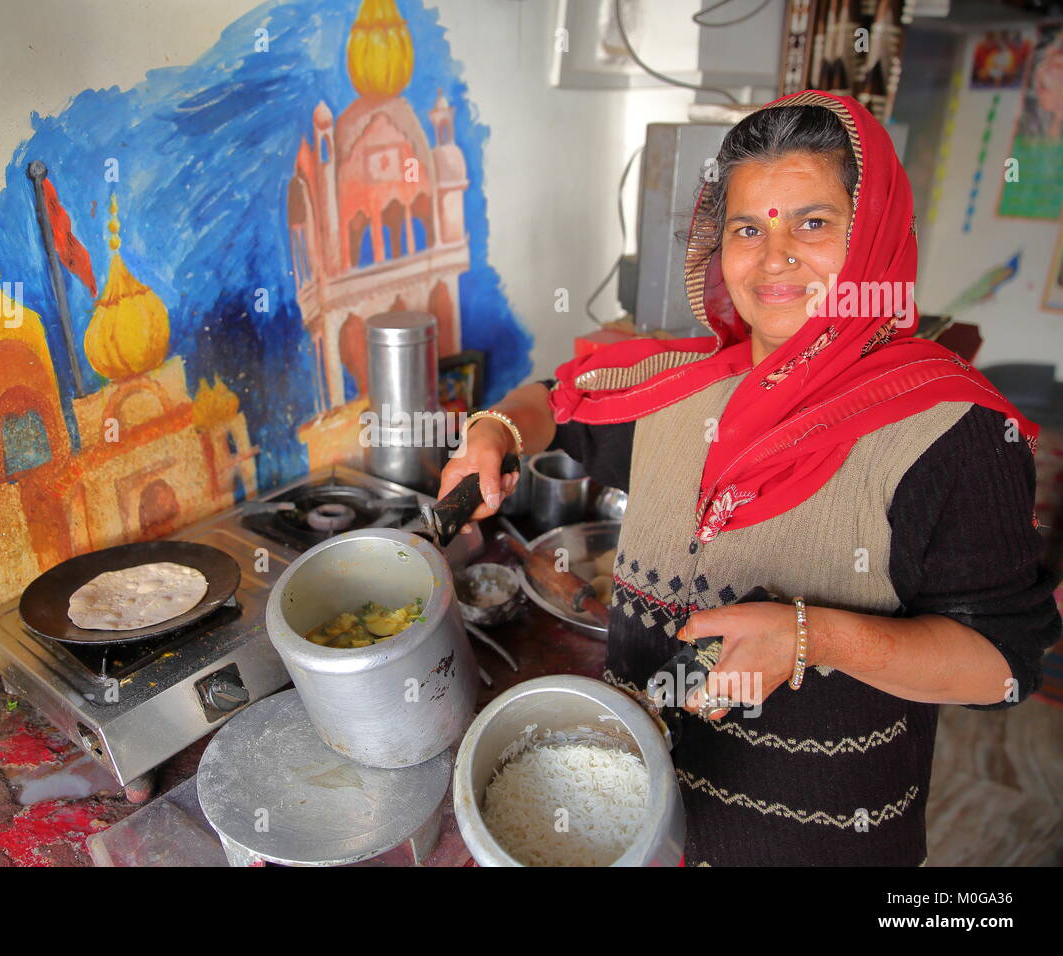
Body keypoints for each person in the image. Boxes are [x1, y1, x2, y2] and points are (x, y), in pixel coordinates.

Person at [439, 90, 1061, 866]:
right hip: (640, 817)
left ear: (870, 236)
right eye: (747, 228)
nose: (773, 258)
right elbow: (558, 404)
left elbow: (1001, 664)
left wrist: (812, 635)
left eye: (812, 222)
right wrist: (493, 431)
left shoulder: (953, 430)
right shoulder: (681, 387)